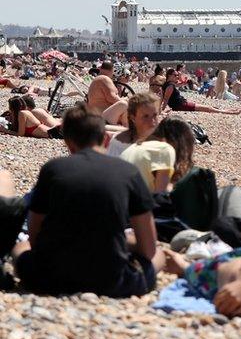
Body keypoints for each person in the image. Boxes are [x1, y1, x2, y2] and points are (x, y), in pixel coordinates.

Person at [11, 106, 163, 297]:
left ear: (67, 142)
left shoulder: (53, 169)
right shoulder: (128, 171)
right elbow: (148, 248)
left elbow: (35, 237)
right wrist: (125, 243)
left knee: (21, 247)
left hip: (51, 278)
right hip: (113, 281)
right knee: (159, 254)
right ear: (106, 139)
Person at [162, 68, 240, 115]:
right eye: (175, 75)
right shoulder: (170, 86)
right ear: (169, 76)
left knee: (207, 107)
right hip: (181, 105)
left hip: (181, 104)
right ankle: (229, 112)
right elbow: (165, 99)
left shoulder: (168, 84)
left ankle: (227, 110)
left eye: (177, 75)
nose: (177, 77)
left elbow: (164, 98)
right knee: (207, 108)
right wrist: (162, 111)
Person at [107, 92, 159, 157]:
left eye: (155, 115)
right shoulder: (120, 143)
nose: (152, 121)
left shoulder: (161, 143)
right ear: (133, 118)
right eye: (146, 116)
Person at [87, 61, 128, 127]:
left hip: (96, 115)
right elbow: (112, 98)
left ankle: (126, 127)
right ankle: (127, 129)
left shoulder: (98, 79)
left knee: (124, 104)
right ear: (112, 70)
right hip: (102, 116)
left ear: (101, 68)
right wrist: (124, 100)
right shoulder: (104, 79)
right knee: (123, 104)